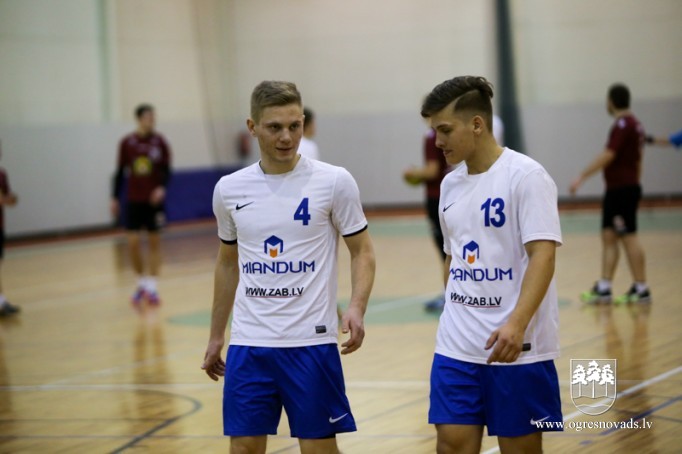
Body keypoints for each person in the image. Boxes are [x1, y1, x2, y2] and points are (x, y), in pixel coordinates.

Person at [202, 81, 375, 454]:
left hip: (311, 344)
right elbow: (227, 264)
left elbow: (362, 251)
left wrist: (357, 306)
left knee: (317, 449)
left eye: (295, 126)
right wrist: (217, 335)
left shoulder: (334, 182)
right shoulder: (229, 189)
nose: (287, 137)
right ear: (252, 127)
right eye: (275, 127)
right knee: (243, 449)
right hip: (249, 343)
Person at [421, 75, 563, 453]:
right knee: (451, 445)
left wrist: (516, 324)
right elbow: (452, 257)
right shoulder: (450, 185)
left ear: (477, 124)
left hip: (517, 347)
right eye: (435, 131)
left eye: (445, 130)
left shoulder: (527, 177)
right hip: (457, 345)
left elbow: (544, 256)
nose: (437, 141)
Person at [570, 83, 650, 304]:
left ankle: (642, 288)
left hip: (622, 190)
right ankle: (604, 287)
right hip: (620, 189)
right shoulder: (636, 125)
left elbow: (609, 154)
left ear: (611, 101)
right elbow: (639, 159)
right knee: (609, 235)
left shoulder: (624, 125)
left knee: (628, 236)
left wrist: (582, 176)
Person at [111, 104, 172, 308]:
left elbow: (167, 170)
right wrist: (114, 198)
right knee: (133, 243)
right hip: (134, 200)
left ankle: (152, 287)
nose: (152, 120)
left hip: (153, 202)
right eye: (148, 117)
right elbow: (120, 172)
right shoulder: (127, 143)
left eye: (153, 117)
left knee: (154, 243)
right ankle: (141, 283)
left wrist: (161, 188)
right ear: (139, 119)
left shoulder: (160, 142)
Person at [403, 129, 449, 312]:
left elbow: (432, 170)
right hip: (444, 197)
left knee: (445, 249)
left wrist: (413, 174)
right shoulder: (444, 133)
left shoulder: (432, 136)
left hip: (436, 198)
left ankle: (449, 295)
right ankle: (449, 293)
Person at [0, 144, 19, 317]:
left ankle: (1, 302)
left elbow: (9, 198)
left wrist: (11, 199)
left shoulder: (2, 174)